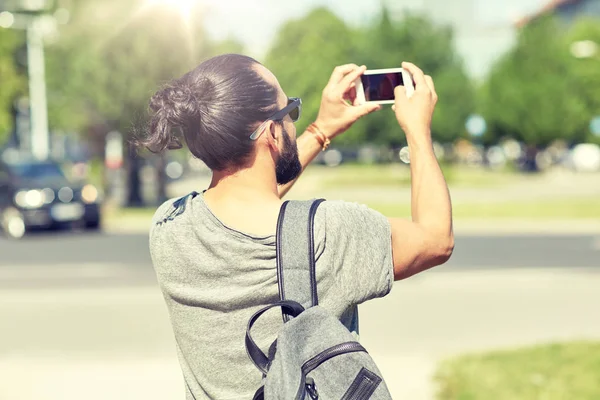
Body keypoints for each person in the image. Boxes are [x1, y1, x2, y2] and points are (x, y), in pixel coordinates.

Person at [139, 53, 453, 399]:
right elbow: (436, 239)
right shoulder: (328, 233)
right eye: (289, 111)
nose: (292, 121)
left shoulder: (168, 226)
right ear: (272, 132)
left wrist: (322, 129)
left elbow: (250, 191)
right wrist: (418, 131)